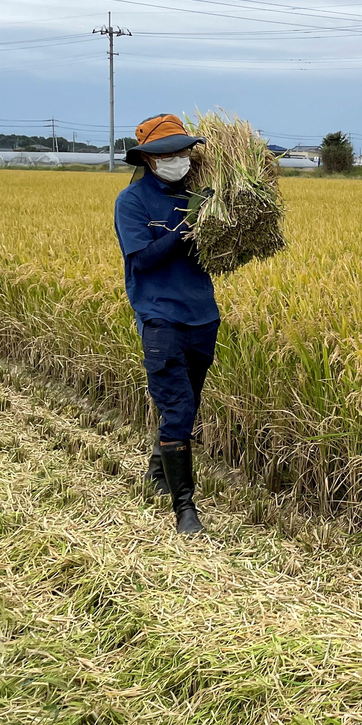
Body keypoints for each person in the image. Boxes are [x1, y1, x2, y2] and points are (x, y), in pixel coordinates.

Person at [113, 114, 217, 534]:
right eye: (167, 153)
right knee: (177, 408)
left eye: (182, 151)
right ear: (149, 159)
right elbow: (142, 259)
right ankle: (185, 510)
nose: (177, 159)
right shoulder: (132, 202)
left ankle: (158, 472)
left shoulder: (202, 195)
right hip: (159, 316)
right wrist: (184, 231)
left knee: (188, 402)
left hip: (203, 315)